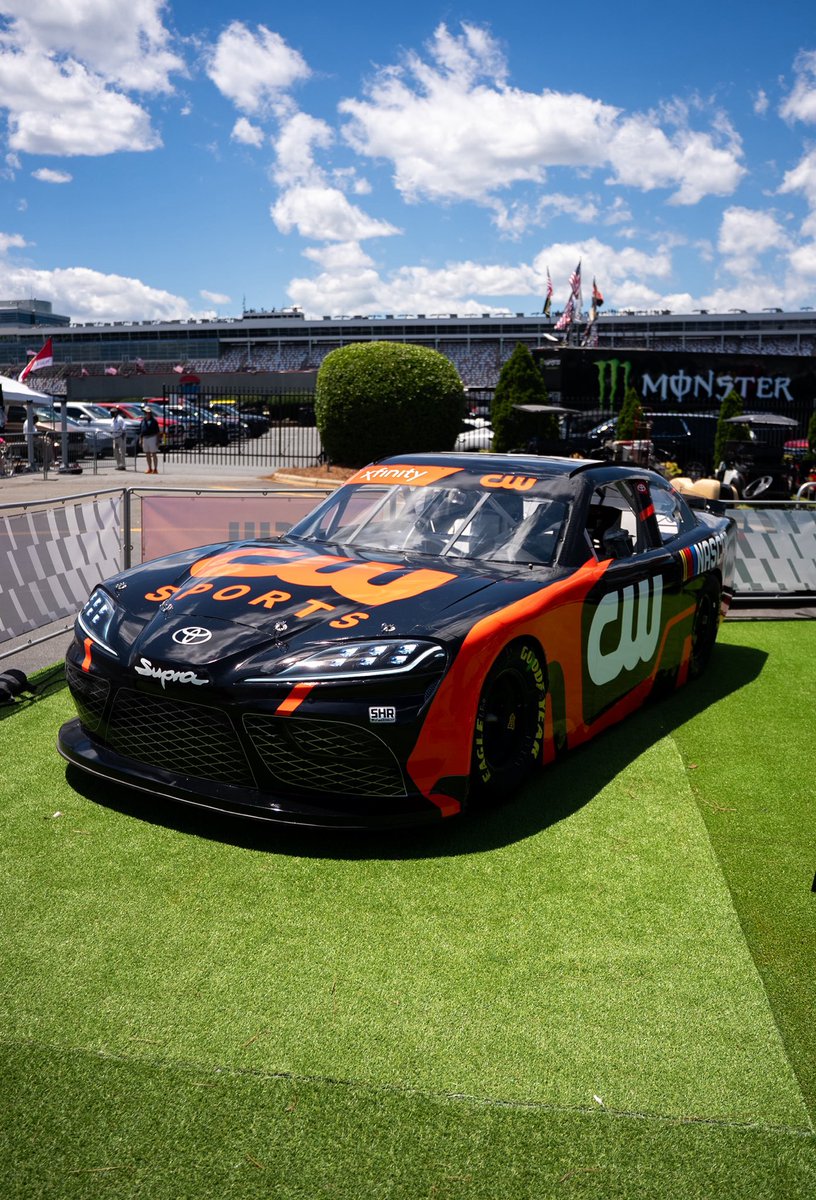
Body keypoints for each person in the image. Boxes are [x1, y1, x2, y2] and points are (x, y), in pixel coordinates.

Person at [139, 405, 160, 474]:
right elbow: (141, 431)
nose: (146, 414)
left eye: (147, 412)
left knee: (153, 453)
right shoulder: (143, 421)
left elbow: (157, 432)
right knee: (147, 454)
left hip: (152, 437)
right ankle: (149, 468)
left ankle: (155, 468)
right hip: (145, 438)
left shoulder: (154, 421)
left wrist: (157, 440)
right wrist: (141, 439)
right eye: (145, 412)